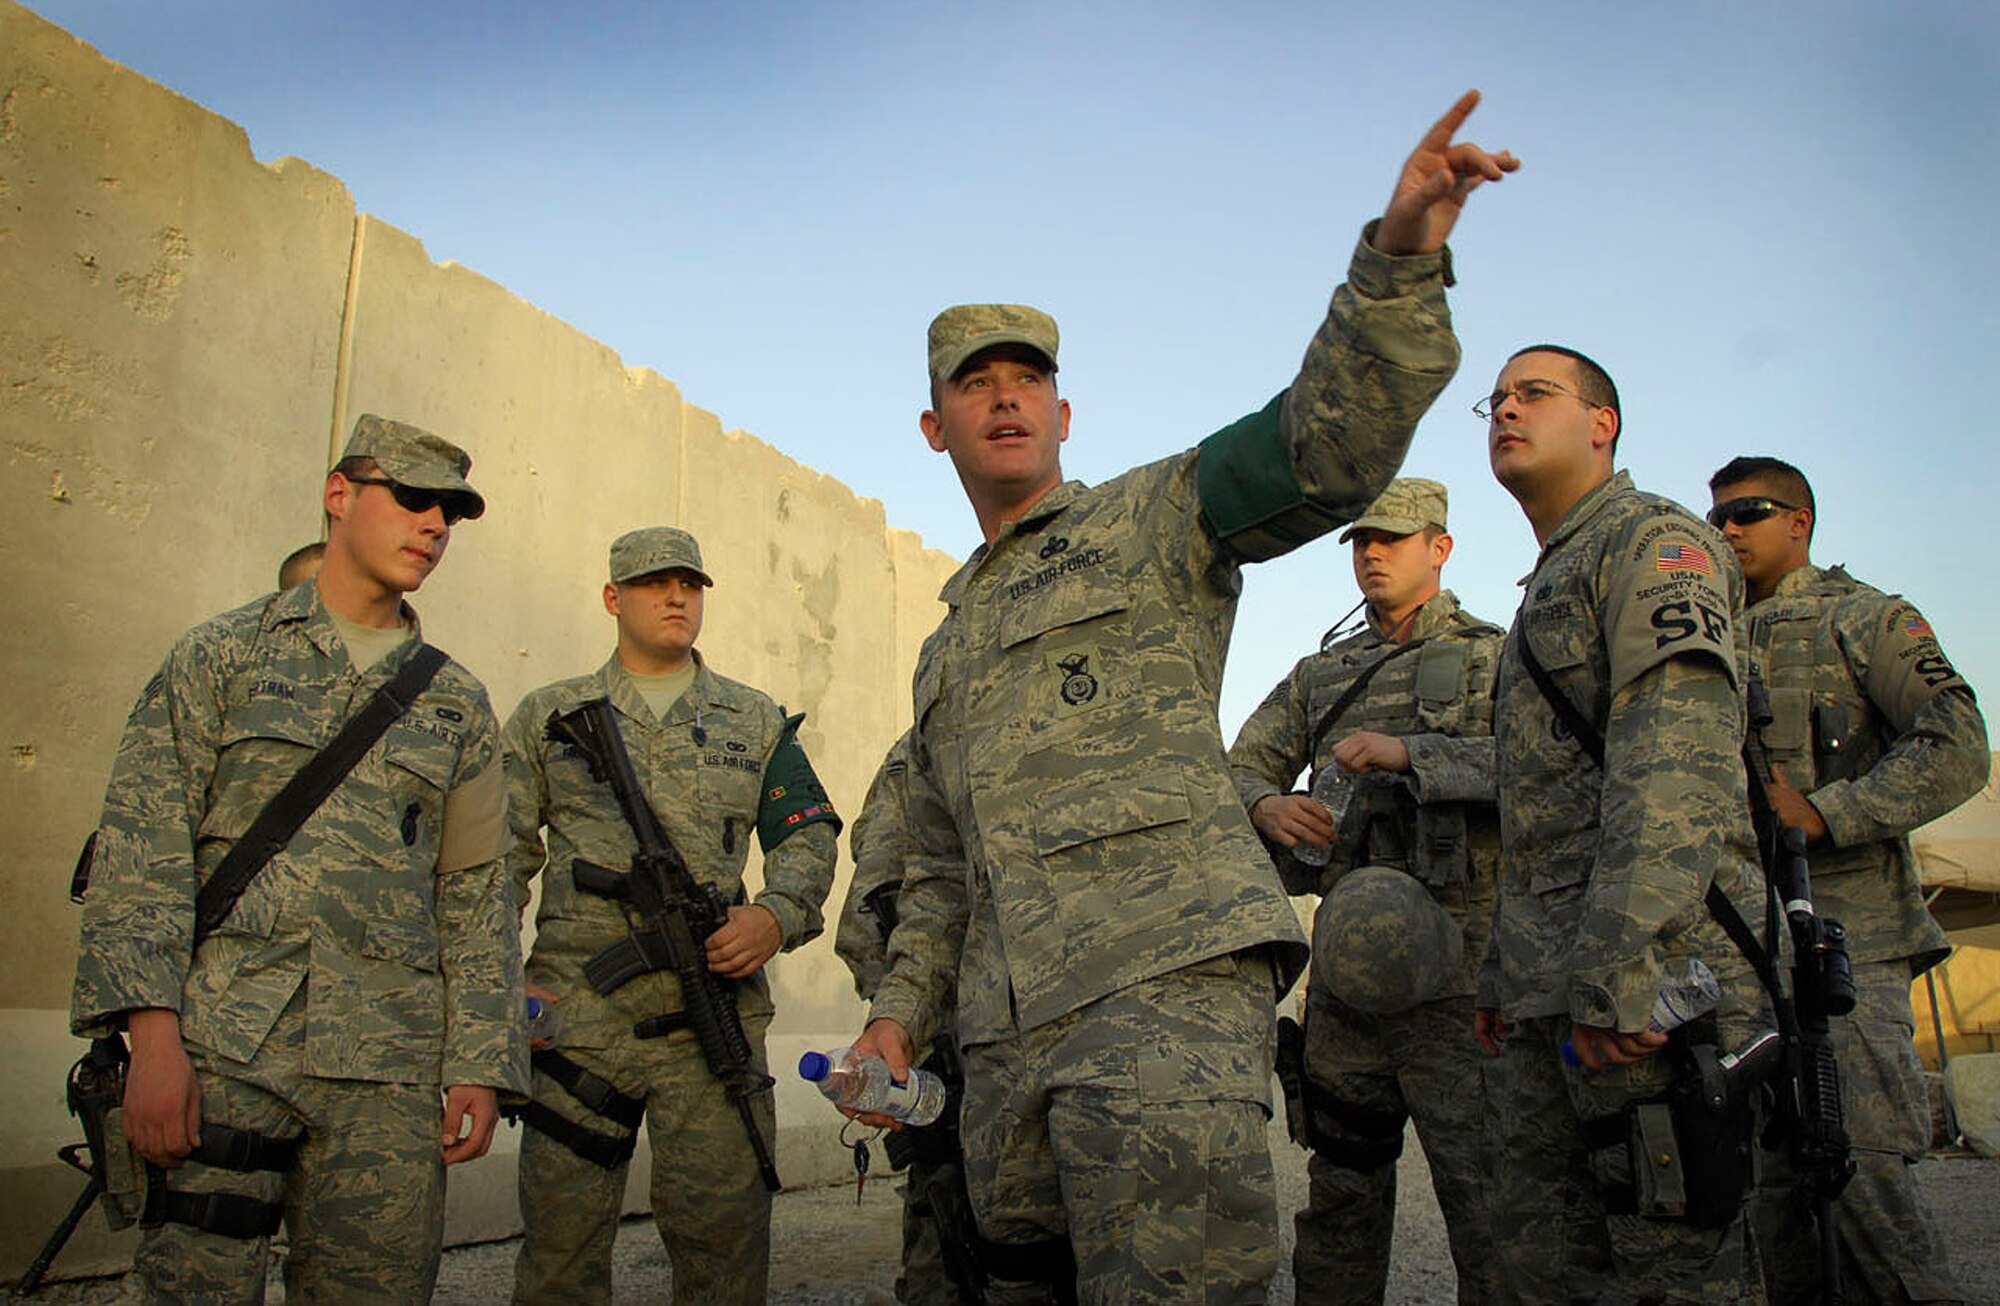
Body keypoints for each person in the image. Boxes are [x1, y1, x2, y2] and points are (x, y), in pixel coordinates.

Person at [850, 91, 1517, 1303]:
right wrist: (899, 1018)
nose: (1002, 396)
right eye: (973, 383)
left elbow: (1322, 447)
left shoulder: (1152, 515)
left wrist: (1399, 255)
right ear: (933, 426)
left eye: (1026, 379)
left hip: (1158, 991)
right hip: (1003, 1038)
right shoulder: (942, 653)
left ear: (1062, 414)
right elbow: (943, 871)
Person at [69, 414, 524, 1302]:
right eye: (415, 499)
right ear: (339, 496)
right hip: (224, 1051)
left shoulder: (457, 704)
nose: (435, 525)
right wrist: (152, 1043)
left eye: (452, 514)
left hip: (389, 1073)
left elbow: (476, 896)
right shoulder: (221, 655)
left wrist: (478, 1061)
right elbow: (141, 854)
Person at [1473, 344, 1774, 1303]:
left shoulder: (1653, 543)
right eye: (1498, 399)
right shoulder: (1547, 584)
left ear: (1602, 424)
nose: (1507, 410)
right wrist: (1505, 965)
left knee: (1671, 1271)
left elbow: (1674, 767)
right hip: (1554, 984)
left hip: (1649, 990)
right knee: (1543, 1260)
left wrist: (1621, 964)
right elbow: (1541, 811)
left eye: (1536, 393)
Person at [504, 525, 840, 1305]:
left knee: (723, 1247)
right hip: (576, 1020)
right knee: (560, 1251)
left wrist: (777, 916)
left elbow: (807, 834)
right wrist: (500, 996)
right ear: (614, 598)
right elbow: (499, 861)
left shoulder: (755, 719)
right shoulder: (550, 715)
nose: (677, 597)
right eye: (656, 584)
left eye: (689, 584)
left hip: (710, 1020)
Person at [1708, 455, 1986, 1304]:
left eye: (1747, 512)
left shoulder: (1867, 618)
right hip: (1736, 961)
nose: (1725, 530)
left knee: (1864, 1196)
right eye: (1715, 515)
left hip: (1844, 953)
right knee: (1764, 1211)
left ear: (1799, 521)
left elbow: (1957, 744)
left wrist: (1830, 813)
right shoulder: (1701, 635)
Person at [1227, 477, 1503, 1304]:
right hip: (1347, 988)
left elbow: (1544, 771)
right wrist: (1267, 805)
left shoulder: (1497, 657)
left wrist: (1414, 756)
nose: (1372, 553)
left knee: (1491, 1205)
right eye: (1361, 541)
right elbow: (1240, 764)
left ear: (1440, 547)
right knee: (1341, 1196)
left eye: (1392, 538)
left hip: (1466, 981)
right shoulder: (1322, 674)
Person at [833, 730, 966, 1306]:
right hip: (950, 1023)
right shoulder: (926, 744)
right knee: (945, 1214)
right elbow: (877, 898)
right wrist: (899, 1016)